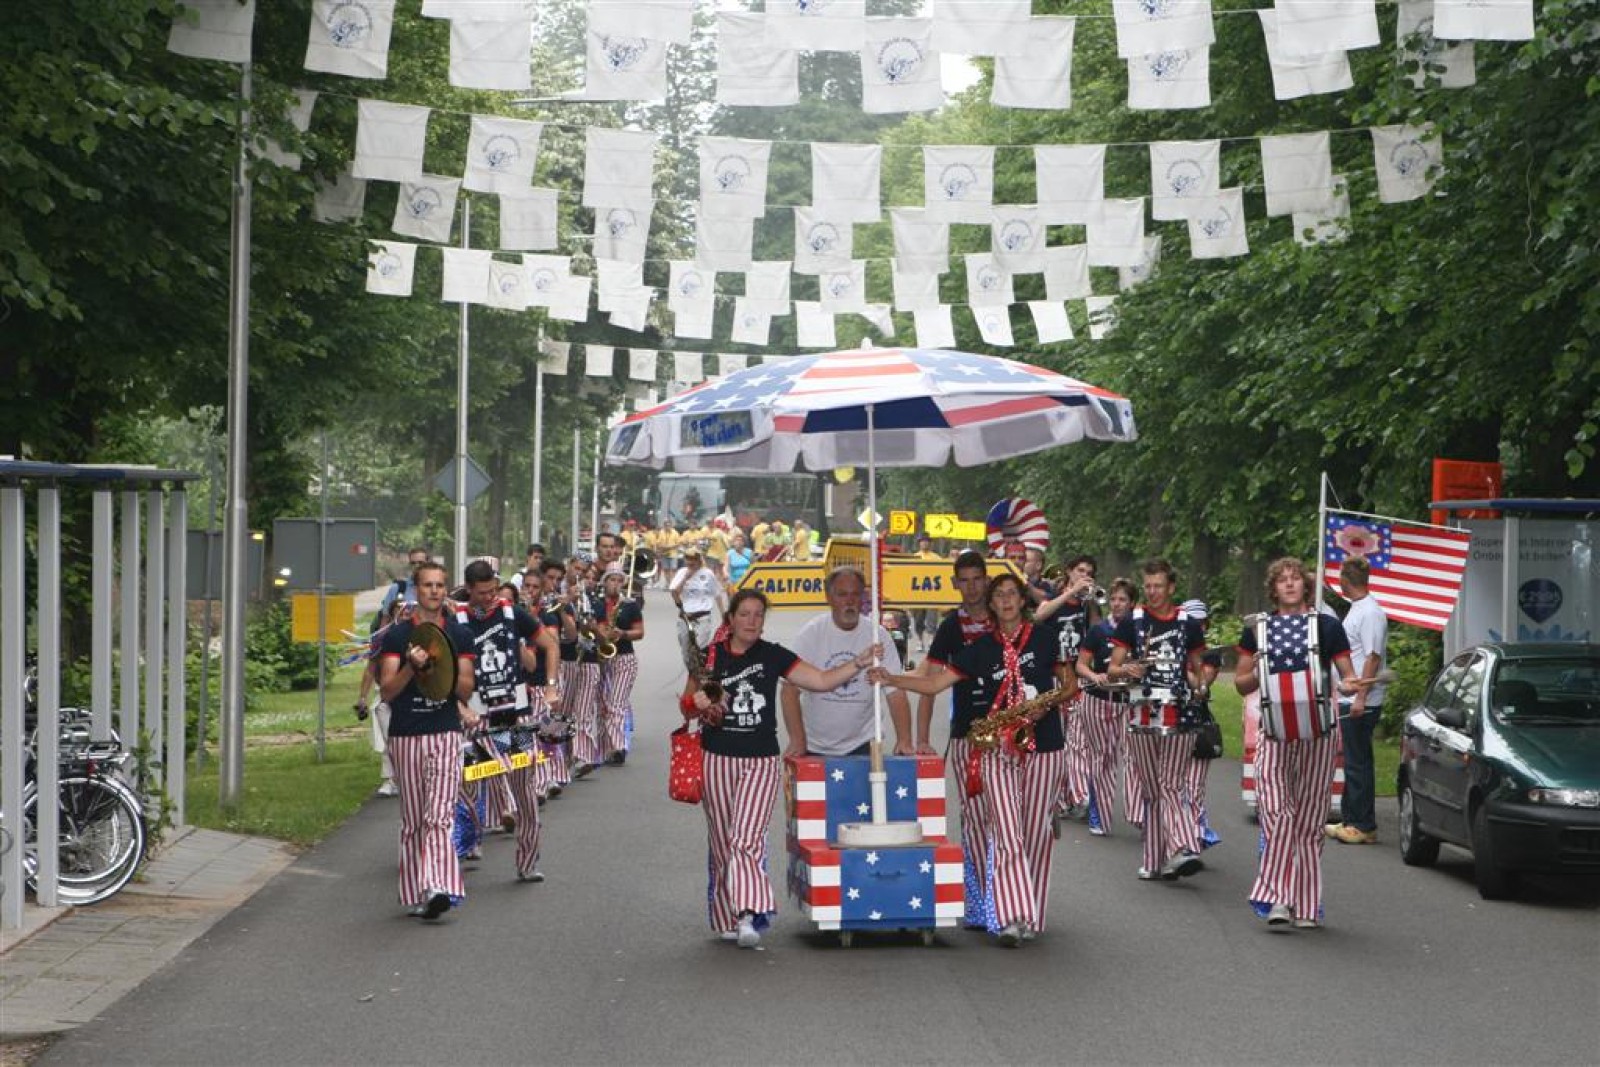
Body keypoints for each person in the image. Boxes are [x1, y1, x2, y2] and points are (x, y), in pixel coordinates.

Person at [873, 573, 1068, 947]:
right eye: (999, 595)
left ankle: (1031, 909)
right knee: (1007, 832)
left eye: (1012, 594)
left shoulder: (1046, 638)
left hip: (1044, 746)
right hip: (996, 749)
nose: (1006, 600)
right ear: (991, 605)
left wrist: (1046, 706)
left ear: (1022, 600)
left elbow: (1069, 684)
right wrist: (891, 678)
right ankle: (1012, 917)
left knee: (1035, 834)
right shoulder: (980, 648)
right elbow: (933, 683)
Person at [679, 589, 880, 948]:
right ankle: (727, 917)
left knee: (745, 839)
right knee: (723, 843)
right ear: (731, 620)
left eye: (758, 615)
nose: (752, 621)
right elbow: (687, 706)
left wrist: (859, 663)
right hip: (716, 759)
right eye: (745, 614)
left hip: (760, 761)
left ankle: (748, 914)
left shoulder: (773, 655)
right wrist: (696, 703)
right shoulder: (710, 655)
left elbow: (820, 680)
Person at [1235, 557, 1358, 930]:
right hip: (1274, 732)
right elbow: (1241, 683)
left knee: (1309, 821)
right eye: (1282, 580)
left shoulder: (1327, 627)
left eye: (1295, 578)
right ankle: (1278, 898)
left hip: (1318, 733)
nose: (1289, 584)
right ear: (1274, 589)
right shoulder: (1258, 629)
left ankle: (1305, 905)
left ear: (1306, 585)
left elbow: (1347, 676)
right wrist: (1259, 668)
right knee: (1278, 814)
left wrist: (1350, 685)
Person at [376, 561, 478, 921]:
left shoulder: (459, 634)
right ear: (416, 590)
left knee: (439, 816)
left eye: (439, 585)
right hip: (406, 734)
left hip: (445, 732)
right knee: (414, 821)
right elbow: (387, 691)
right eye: (427, 585)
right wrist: (411, 667)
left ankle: (437, 888)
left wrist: (437, 669)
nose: (434, 591)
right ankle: (416, 892)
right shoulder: (398, 636)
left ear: (445, 590)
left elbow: (466, 688)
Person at [454, 559, 561, 883]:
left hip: (514, 716)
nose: (489, 598)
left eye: (492, 591)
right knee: (467, 782)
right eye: (482, 593)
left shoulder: (512, 613)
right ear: (469, 589)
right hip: (477, 718)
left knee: (524, 791)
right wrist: (459, 706)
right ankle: (467, 842)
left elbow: (549, 645)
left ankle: (528, 862)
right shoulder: (456, 619)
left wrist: (551, 686)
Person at [1109, 559, 1208, 882]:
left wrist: (1200, 687)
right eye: (1148, 586)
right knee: (1153, 789)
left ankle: (1182, 847)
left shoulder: (1188, 624)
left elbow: (1198, 668)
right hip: (1142, 710)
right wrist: (1128, 669)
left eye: (1158, 586)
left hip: (1180, 711)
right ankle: (1155, 860)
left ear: (1171, 587)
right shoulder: (1132, 621)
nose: (1152, 592)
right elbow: (1112, 669)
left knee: (1170, 783)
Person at [913, 549, 996, 920]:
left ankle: (1009, 894)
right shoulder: (950, 627)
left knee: (1011, 816)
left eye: (978, 579)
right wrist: (922, 739)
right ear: (955, 584)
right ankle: (979, 902)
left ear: (987, 581)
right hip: (968, 734)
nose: (972, 587)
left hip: (1014, 734)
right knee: (976, 817)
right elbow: (930, 682)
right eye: (964, 581)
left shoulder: (1005, 617)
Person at [781, 567, 914, 758]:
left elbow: (896, 692)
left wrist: (904, 740)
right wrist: (796, 739)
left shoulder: (878, 636)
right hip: (814, 745)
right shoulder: (811, 634)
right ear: (828, 597)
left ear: (863, 598)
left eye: (855, 594)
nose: (849, 601)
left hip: (864, 743)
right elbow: (789, 691)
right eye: (842, 594)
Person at [1328, 556, 1388, 845]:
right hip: (1348, 696)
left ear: (1345, 580)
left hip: (1362, 700)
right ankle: (1350, 818)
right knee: (1351, 760)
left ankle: (1364, 824)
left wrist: (1360, 698)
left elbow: (1372, 657)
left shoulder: (1371, 613)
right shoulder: (1358, 609)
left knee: (1358, 762)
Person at [1073, 578, 1138, 836]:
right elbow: (1080, 664)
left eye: (1123, 599)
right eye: (1114, 599)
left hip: (1129, 702)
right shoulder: (1098, 631)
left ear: (1132, 603)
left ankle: (1138, 813)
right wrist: (1094, 675)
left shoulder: (1140, 629)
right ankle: (1099, 816)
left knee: (1135, 757)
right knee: (1103, 759)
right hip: (1098, 700)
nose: (1117, 604)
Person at [1179, 599, 1223, 851]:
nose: (1195, 627)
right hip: (1170, 724)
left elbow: (1201, 686)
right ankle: (1175, 835)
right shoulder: (1169, 647)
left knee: (1193, 787)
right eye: (1190, 622)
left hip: (1198, 726)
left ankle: (1192, 840)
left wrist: (1178, 664)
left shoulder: (1210, 655)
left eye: (1199, 622)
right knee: (1170, 786)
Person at [597, 562, 645, 765]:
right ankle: (605, 746)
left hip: (624, 659)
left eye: (619, 580)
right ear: (604, 582)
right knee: (603, 704)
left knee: (616, 704)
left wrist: (623, 633)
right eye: (612, 580)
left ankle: (618, 747)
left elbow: (640, 632)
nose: (616, 584)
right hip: (601, 660)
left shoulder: (630, 605)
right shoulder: (596, 603)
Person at [670, 545, 725, 654]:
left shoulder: (708, 574)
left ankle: (699, 664)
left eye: (693, 559)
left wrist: (724, 615)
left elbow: (717, 594)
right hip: (686, 618)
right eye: (688, 559)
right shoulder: (682, 572)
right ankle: (691, 665)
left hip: (702, 617)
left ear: (699, 560)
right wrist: (685, 578)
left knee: (699, 649)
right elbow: (675, 593)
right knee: (686, 652)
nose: (690, 562)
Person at [910, 534, 942, 652]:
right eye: (922, 541)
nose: (924, 543)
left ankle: (931, 641)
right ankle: (920, 641)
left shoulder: (937, 558)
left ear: (930, 543)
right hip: (918, 594)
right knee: (918, 619)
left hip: (932, 593)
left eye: (926, 541)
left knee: (932, 619)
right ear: (919, 543)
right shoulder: (915, 557)